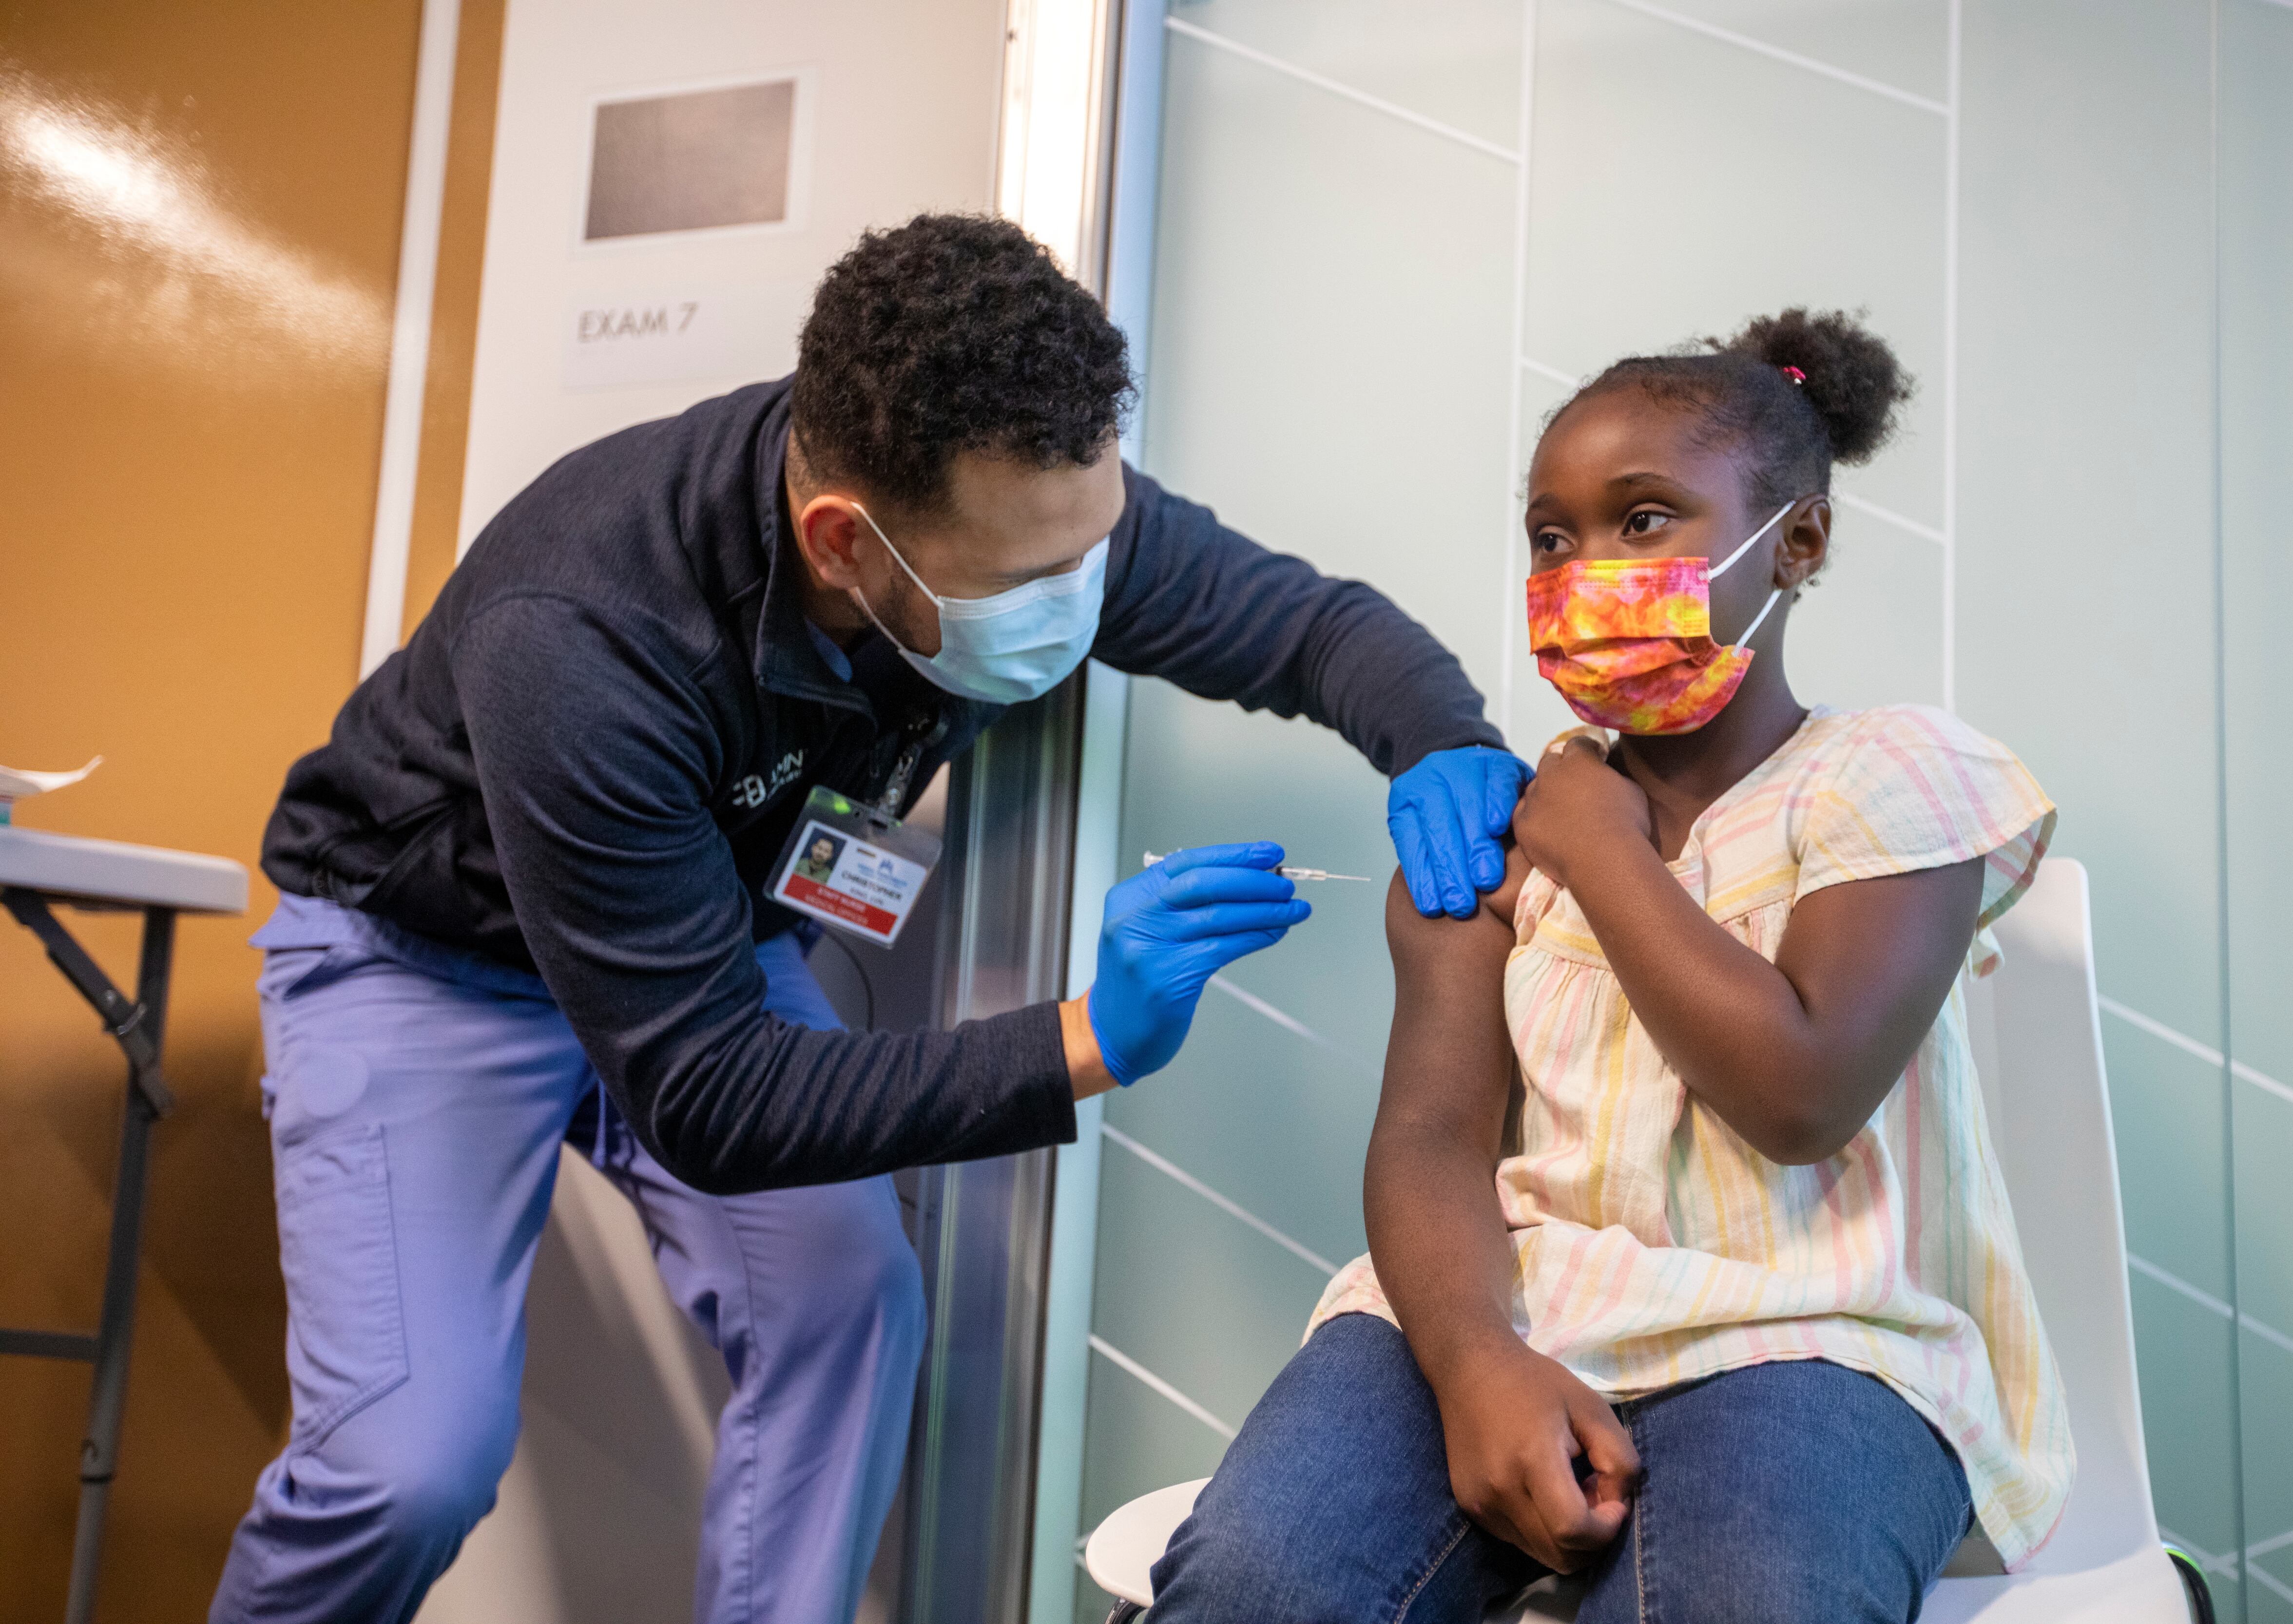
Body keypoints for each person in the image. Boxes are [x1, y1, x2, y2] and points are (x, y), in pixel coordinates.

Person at [212, 214, 1529, 1624]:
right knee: (408, 1468)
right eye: (1031, 585)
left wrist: (1442, 738)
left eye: (1094, 549)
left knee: (853, 1309)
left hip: (709, 938)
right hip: (433, 965)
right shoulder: (583, 630)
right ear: (844, 542)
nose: (1076, 601)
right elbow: (711, 1095)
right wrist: (1087, 1035)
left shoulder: (1028, 503)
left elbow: (1308, 628)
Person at [1148, 309, 2072, 1624]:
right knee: (1251, 1587)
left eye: (1645, 520)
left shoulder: (1893, 778)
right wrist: (1473, 1364)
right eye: (1550, 536)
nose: (1587, 567)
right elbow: (1429, 1138)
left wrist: (1604, 851)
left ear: (1796, 540)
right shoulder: (1491, 838)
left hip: (1814, 1344)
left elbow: (1799, 1096)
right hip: (1497, 1311)